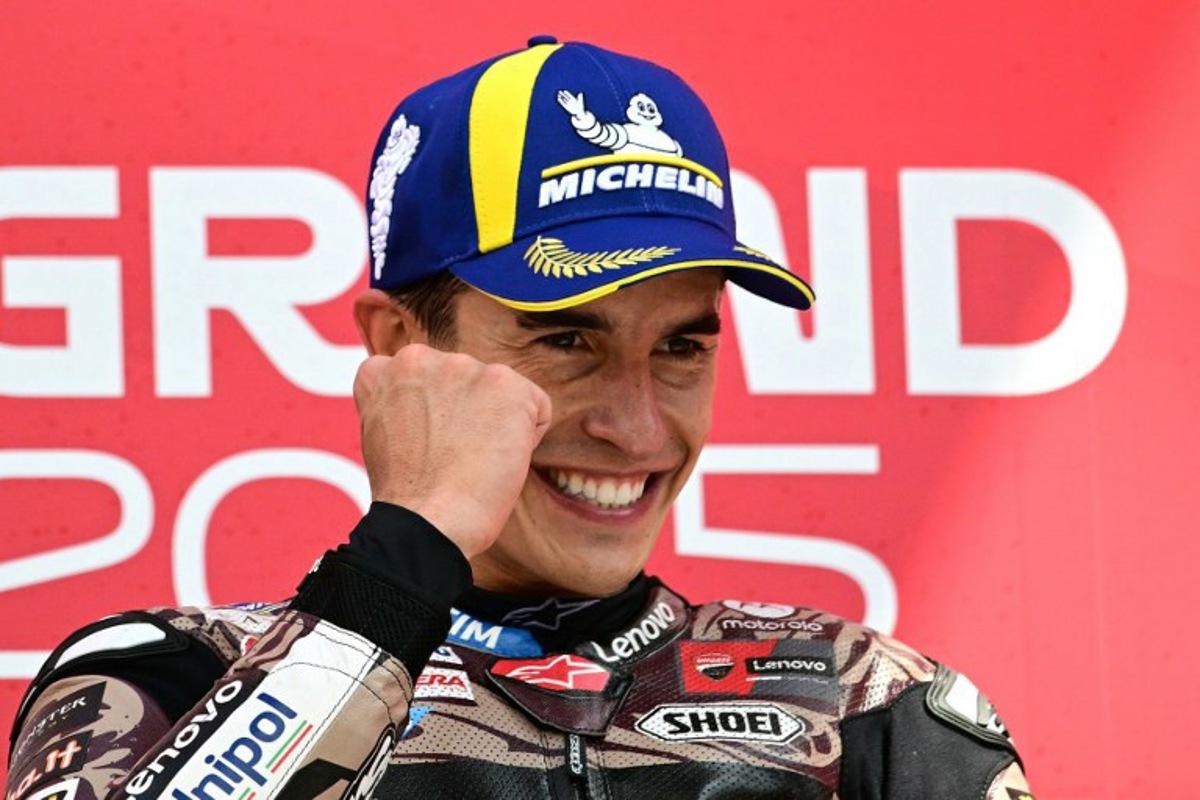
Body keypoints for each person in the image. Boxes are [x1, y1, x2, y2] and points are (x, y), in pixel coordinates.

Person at [6, 38, 1034, 800]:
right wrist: (401, 561)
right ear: (397, 342)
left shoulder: (869, 708)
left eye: (681, 344)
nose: (637, 429)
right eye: (565, 339)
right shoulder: (162, 677)